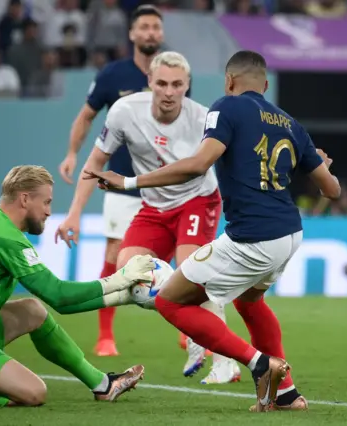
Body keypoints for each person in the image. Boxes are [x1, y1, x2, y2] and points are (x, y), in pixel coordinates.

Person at [84, 50, 341, 411]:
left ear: (229, 81)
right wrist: (321, 167)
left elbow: (198, 165)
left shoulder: (225, 107)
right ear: (265, 85)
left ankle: (260, 364)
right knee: (249, 300)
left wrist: (128, 181)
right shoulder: (289, 123)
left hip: (252, 237)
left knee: (170, 300)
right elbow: (331, 190)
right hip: (290, 234)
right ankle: (287, 394)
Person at [57, 51, 240, 384]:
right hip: (154, 206)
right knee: (133, 273)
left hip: (197, 201)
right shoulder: (124, 112)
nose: (169, 91)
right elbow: (95, 163)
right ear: (149, 84)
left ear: (187, 86)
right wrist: (74, 213)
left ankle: (225, 362)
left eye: (177, 85)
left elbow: (229, 163)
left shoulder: (203, 119)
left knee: (193, 274)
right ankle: (194, 328)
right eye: (162, 83)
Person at [0, 165, 155, 408]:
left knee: (32, 311)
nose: (49, 212)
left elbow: (61, 300)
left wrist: (123, 296)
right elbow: (59, 296)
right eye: (46, 202)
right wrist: (119, 279)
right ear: (25, 199)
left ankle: (103, 385)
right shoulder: (4, 238)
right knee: (34, 393)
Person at [57, 5, 192, 357]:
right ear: (132, 34)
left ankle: (189, 328)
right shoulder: (112, 75)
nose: (150, 33)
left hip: (165, 186)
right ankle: (105, 336)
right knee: (116, 256)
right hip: (122, 183)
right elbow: (86, 117)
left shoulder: (174, 76)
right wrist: (72, 153)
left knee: (185, 256)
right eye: (144, 27)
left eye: (155, 27)